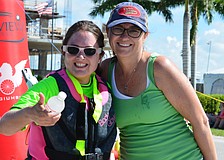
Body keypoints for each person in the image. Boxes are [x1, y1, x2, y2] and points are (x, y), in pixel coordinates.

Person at [99, 2, 217, 160]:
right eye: (118, 29)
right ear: (108, 32)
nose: (125, 36)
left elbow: (200, 121)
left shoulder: (159, 68)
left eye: (134, 30)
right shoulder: (105, 70)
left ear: (145, 35)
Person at [0, 20, 116, 160]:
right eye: (73, 50)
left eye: (89, 51)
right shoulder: (50, 86)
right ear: (64, 51)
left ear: (100, 56)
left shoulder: (107, 89)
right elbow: (4, 126)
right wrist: (30, 113)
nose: (80, 57)